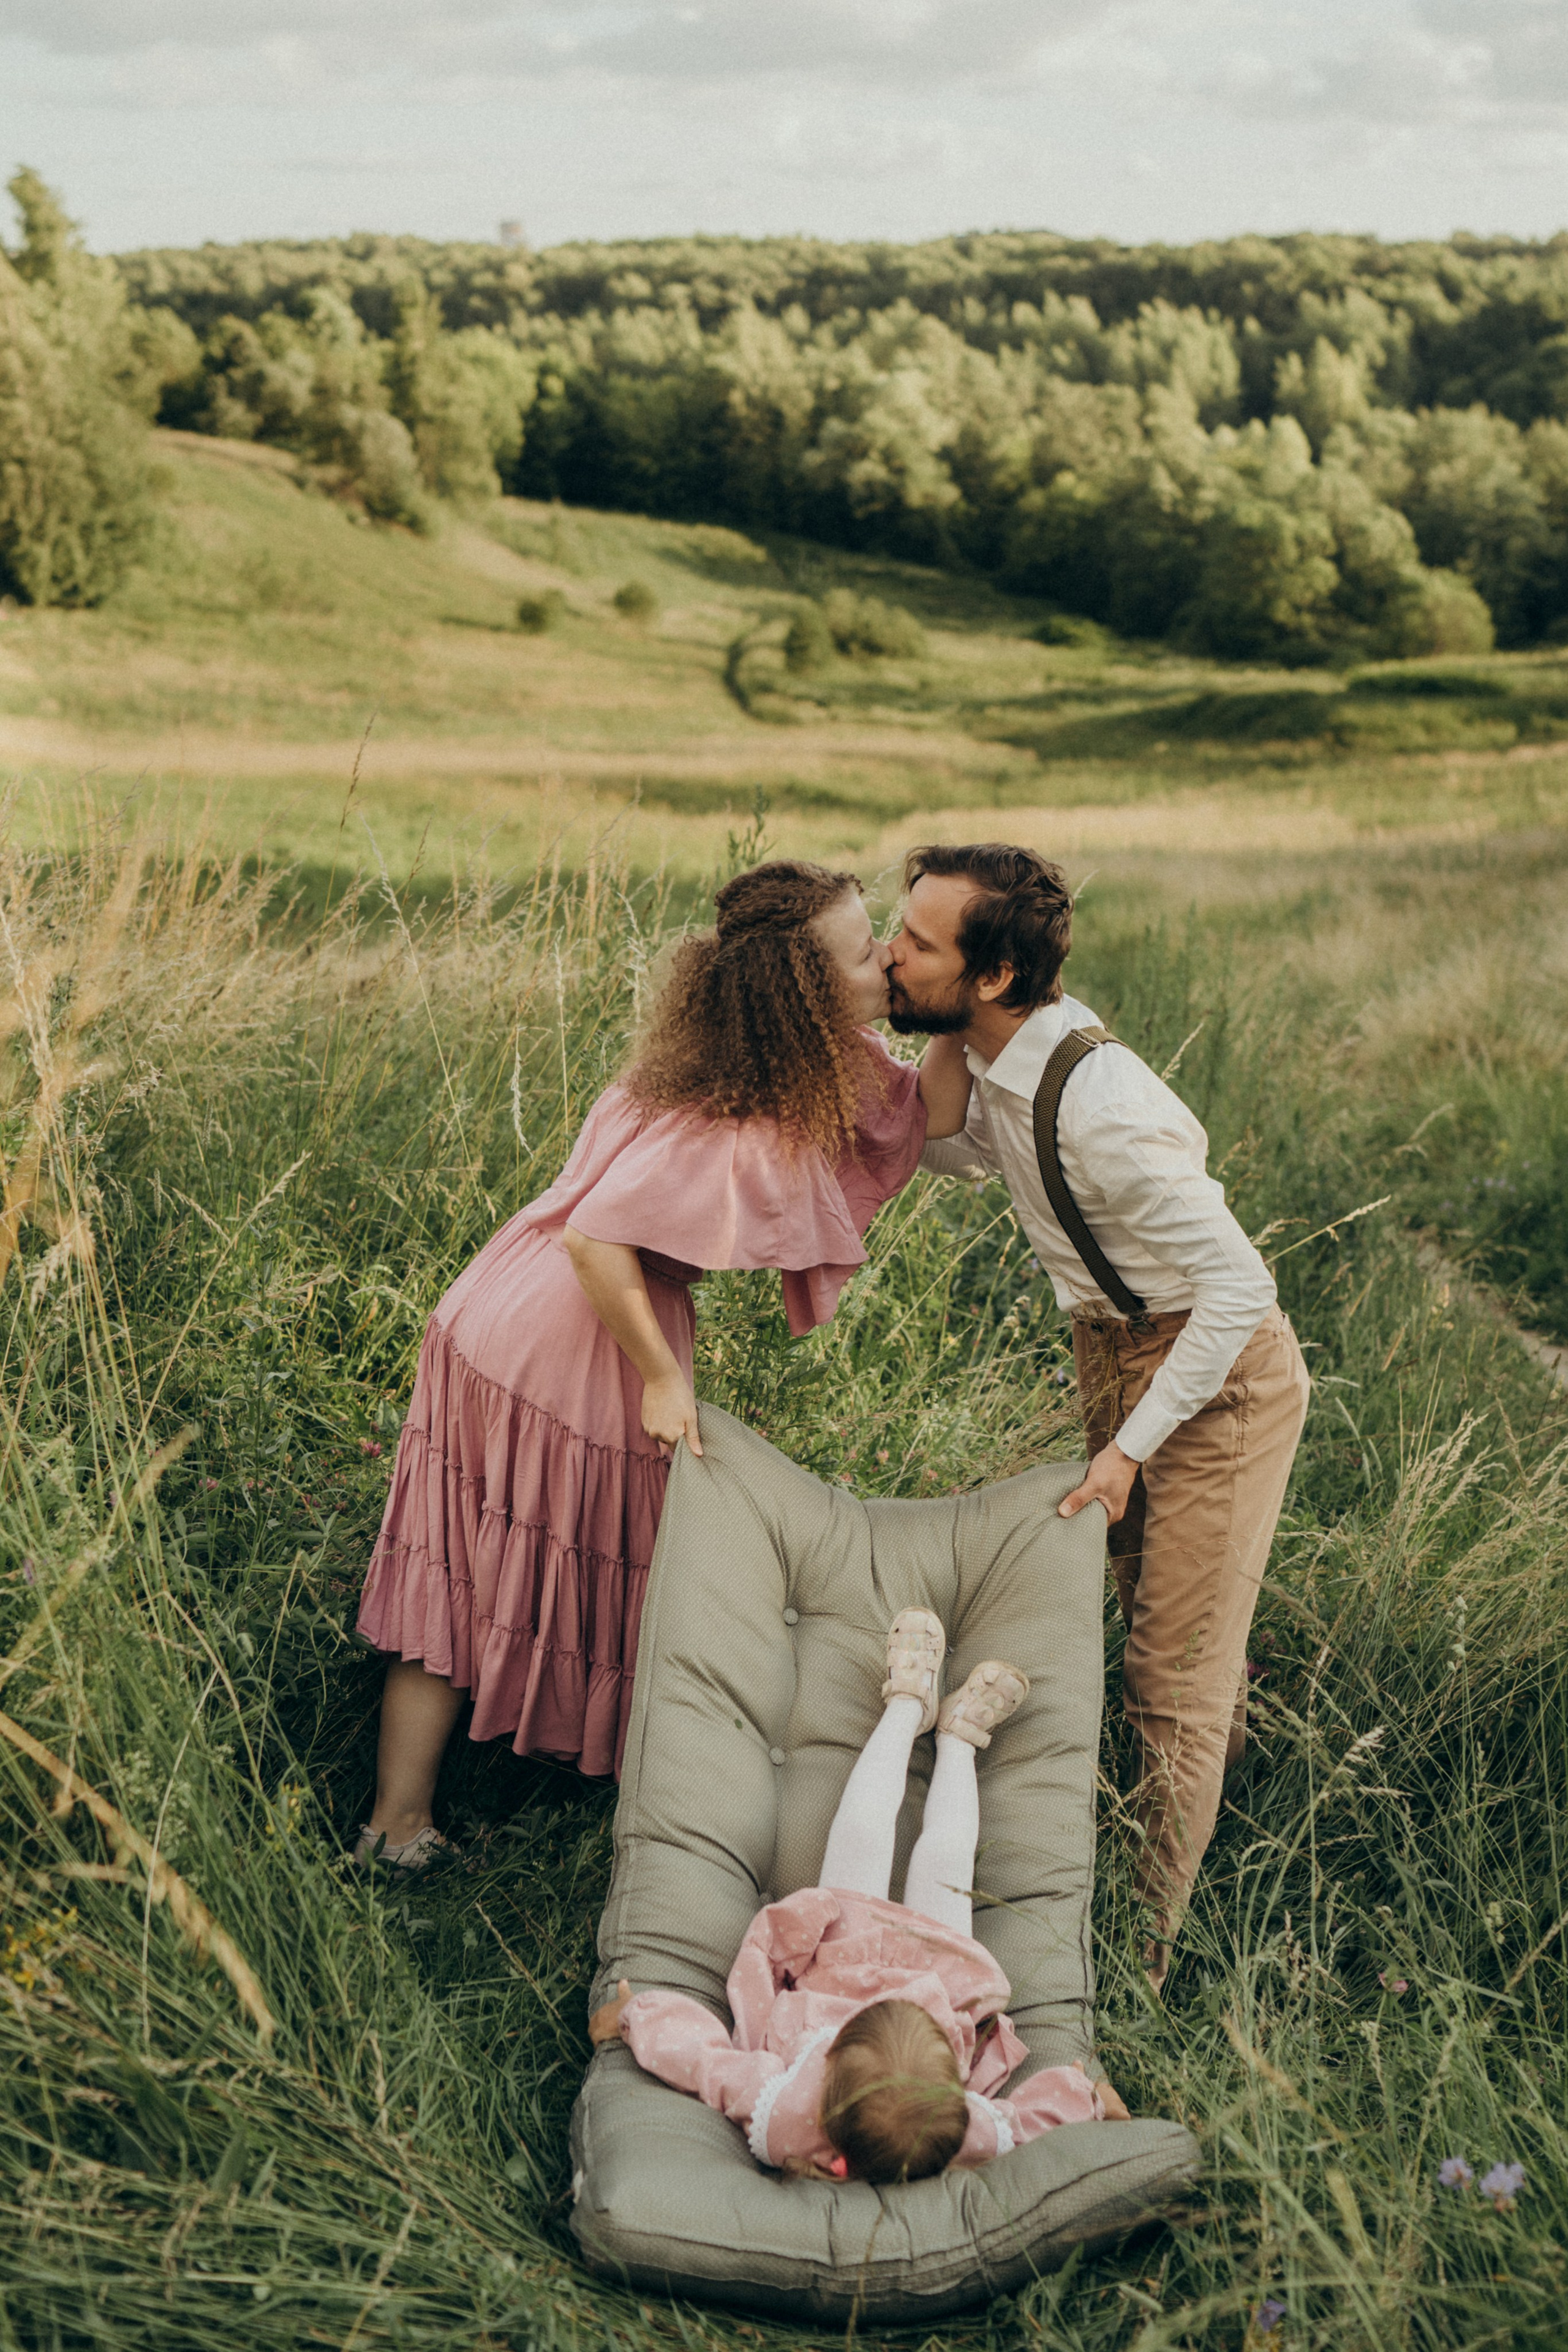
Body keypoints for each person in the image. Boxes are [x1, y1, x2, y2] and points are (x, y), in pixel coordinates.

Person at [352, 860, 970, 1868]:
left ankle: (396, 1822)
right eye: (867, 952)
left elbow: (927, 1112)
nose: (887, 960)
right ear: (809, 992)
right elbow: (601, 1241)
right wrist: (660, 1374)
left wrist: (954, 1001)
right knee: (651, 1576)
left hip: (488, 1307)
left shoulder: (740, 1052)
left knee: (460, 1566)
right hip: (581, 1330)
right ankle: (656, 1822)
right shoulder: (746, 1116)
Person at [886, 842, 1310, 1992]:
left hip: (1216, 1377)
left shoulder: (1101, 1104)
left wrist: (1129, 1452)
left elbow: (1241, 1290)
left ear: (990, 978)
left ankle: (1137, 1964)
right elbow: (956, 1150)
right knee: (1143, 1635)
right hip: (1116, 1351)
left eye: (917, 943)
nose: (891, 949)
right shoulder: (998, 1058)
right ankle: (1178, 1839)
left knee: (1170, 1679)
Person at [589, 1609, 1127, 2181]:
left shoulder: (781, 2106)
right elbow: (1023, 2121)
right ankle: (960, 1741)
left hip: (845, 1954)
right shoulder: (957, 2130)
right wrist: (1088, 2096)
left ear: (826, 2070)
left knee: (862, 1831)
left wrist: (634, 2015)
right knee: (947, 1855)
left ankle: (905, 1708)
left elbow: (701, 2059)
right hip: (941, 1980)